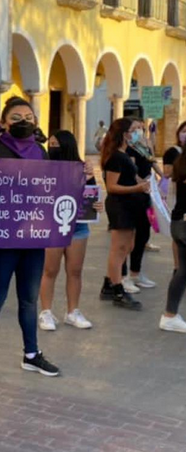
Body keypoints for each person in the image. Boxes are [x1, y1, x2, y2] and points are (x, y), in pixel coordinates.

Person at [0, 97, 60, 387]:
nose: (23, 121)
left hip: (33, 237)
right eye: (16, 117)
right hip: (2, 237)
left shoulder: (41, 152)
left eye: (28, 116)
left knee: (29, 299)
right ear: (4, 122)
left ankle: (31, 353)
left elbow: (51, 190)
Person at [38, 130, 101, 331]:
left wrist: (96, 204)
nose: (52, 148)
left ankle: (73, 311)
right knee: (50, 270)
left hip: (78, 226)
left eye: (56, 144)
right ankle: (46, 312)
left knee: (75, 271)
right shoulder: (43, 168)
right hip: (51, 225)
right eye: (51, 144)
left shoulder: (83, 169)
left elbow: (91, 194)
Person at [99, 117, 150, 310]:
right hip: (120, 206)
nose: (135, 133)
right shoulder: (115, 157)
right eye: (132, 130)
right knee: (118, 248)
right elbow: (112, 186)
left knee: (127, 246)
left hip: (130, 206)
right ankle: (117, 289)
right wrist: (136, 188)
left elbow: (132, 175)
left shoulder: (124, 154)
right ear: (123, 133)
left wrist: (143, 184)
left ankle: (109, 281)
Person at [121, 118, 160, 289]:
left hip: (145, 193)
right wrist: (141, 185)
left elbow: (152, 163)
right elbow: (132, 171)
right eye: (134, 128)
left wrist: (162, 179)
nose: (138, 131)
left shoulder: (143, 147)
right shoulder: (127, 149)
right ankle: (122, 276)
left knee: (143, 233)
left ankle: (136, 273)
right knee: (127, 239)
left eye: (139, 128)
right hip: (133, 193)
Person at [161, 145, 186, 332]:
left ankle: (170, 314)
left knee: (183, 271)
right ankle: (169, 315)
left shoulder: (180, 168)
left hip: (178, 223)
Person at [162, 121, 186, 272]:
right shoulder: (173, 152)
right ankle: (178, 267)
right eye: (184, 131)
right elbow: (167, 173)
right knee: (179, 235)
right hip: (179, 197)